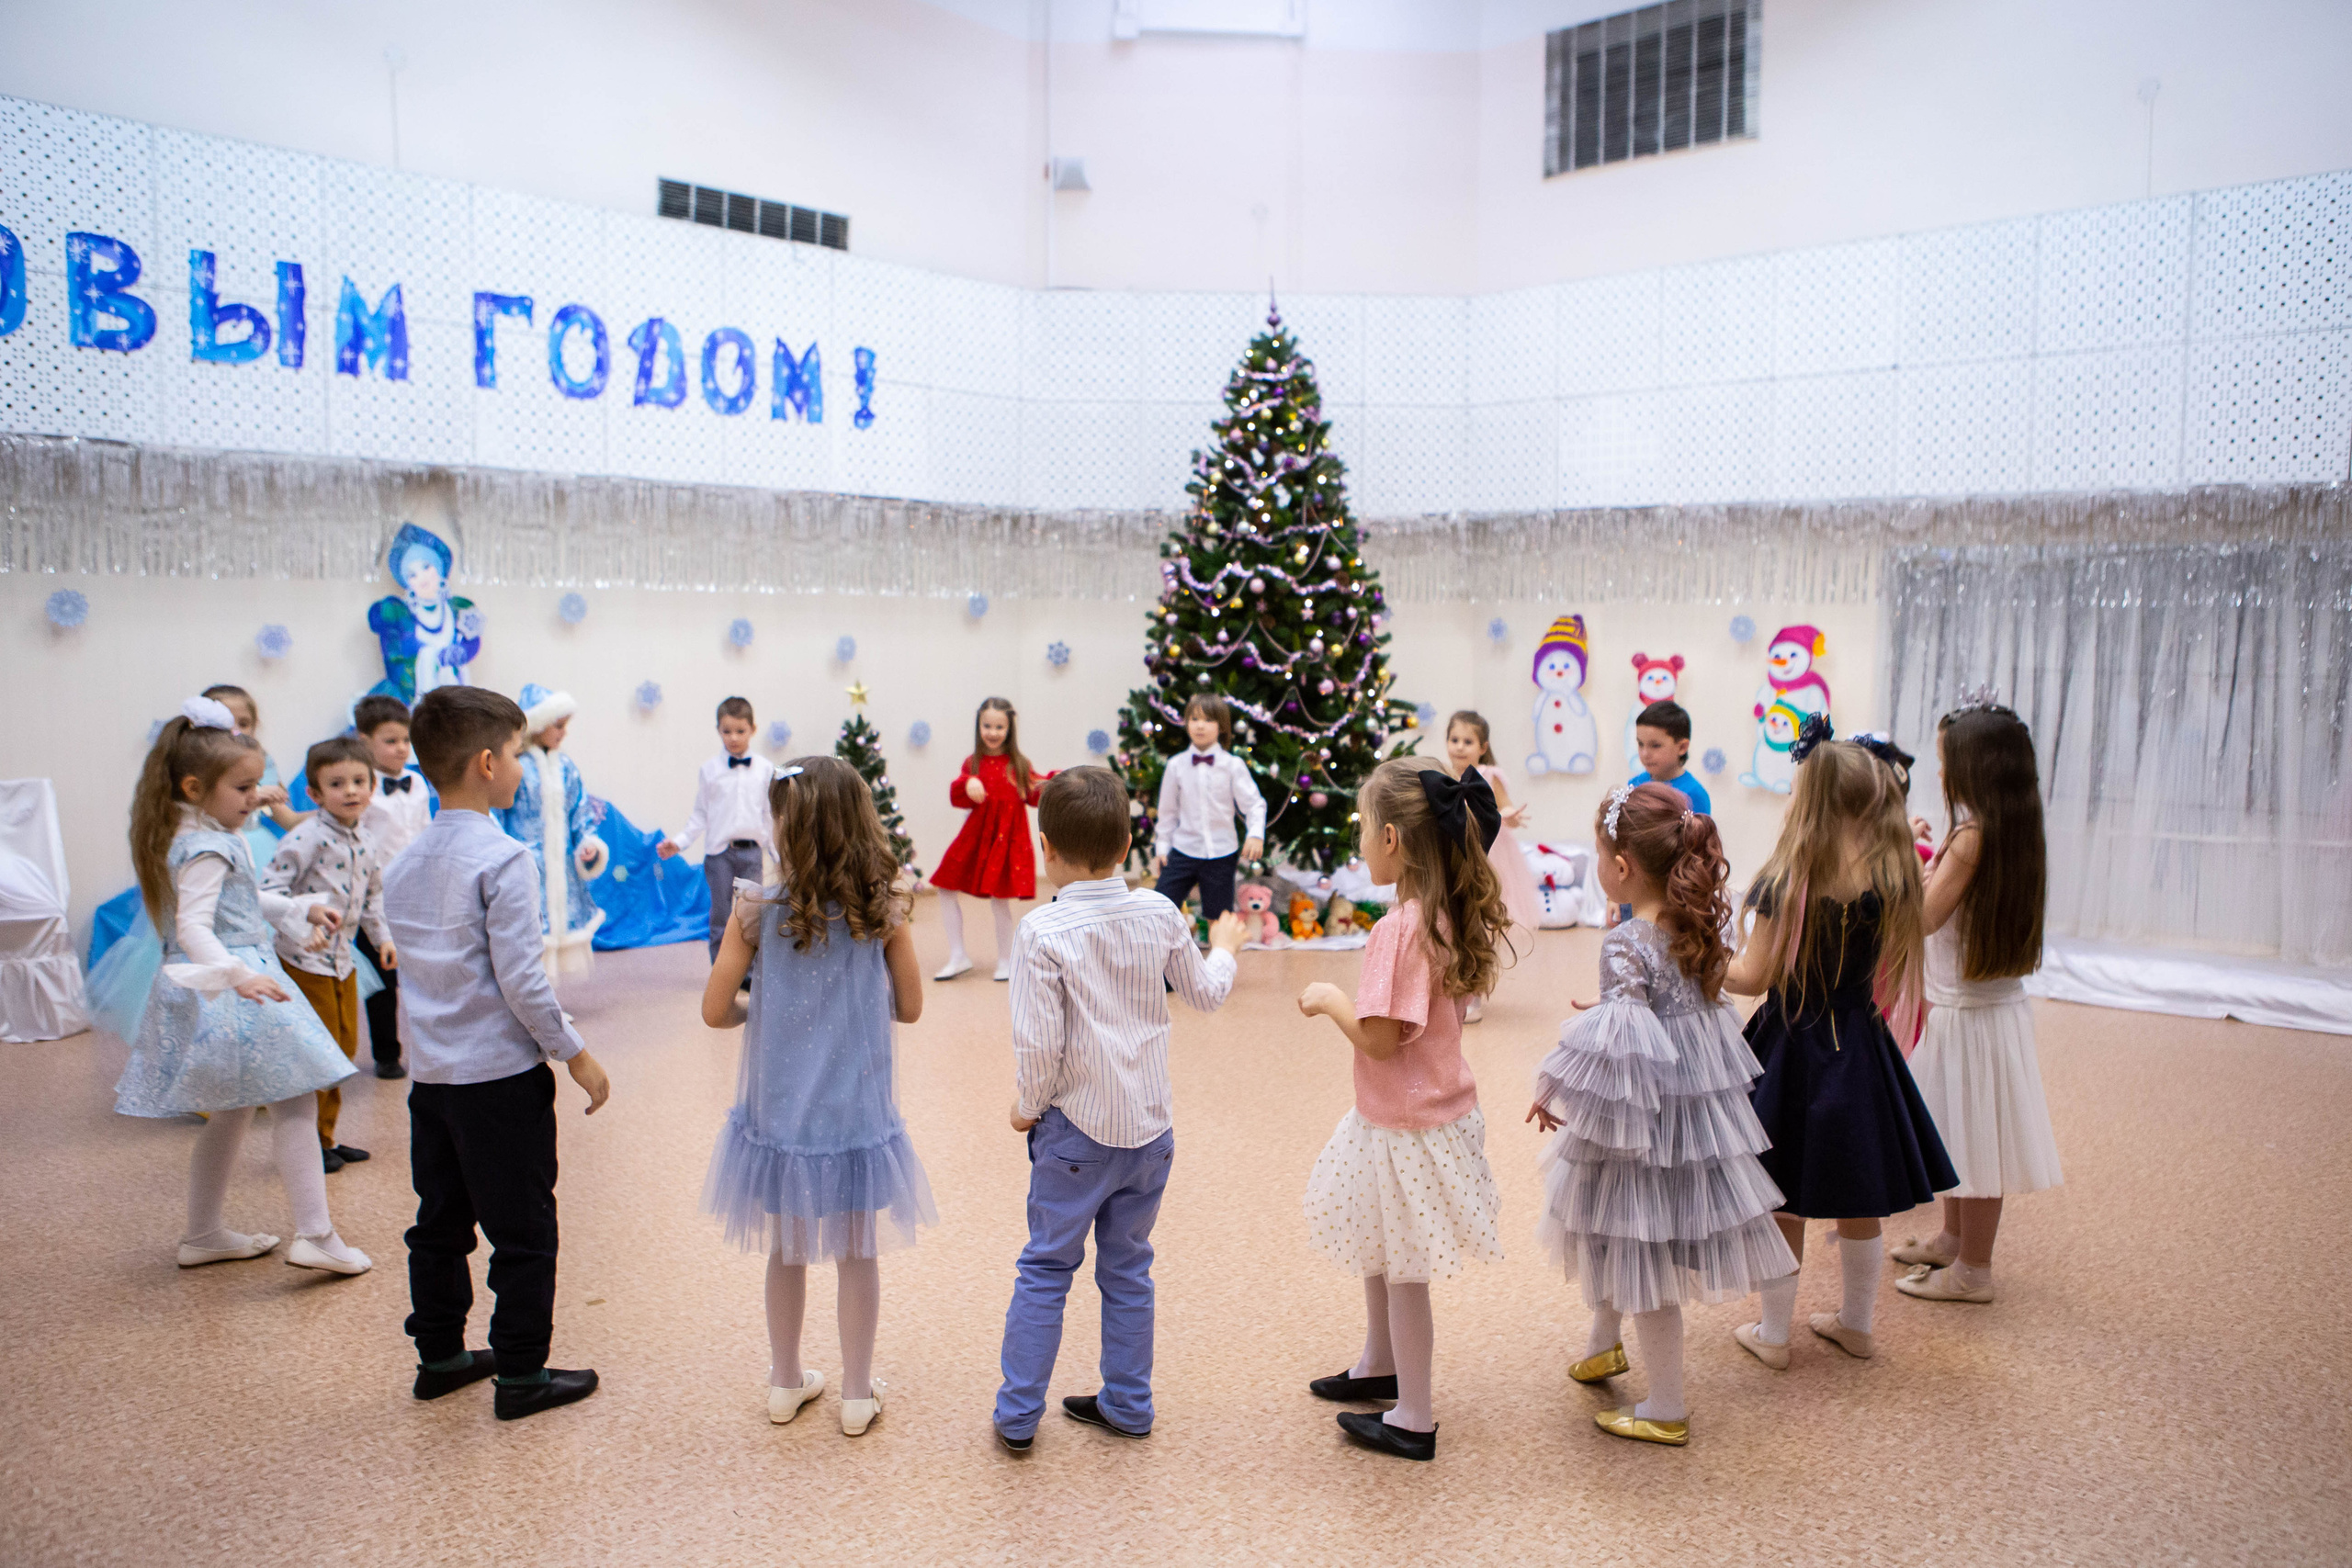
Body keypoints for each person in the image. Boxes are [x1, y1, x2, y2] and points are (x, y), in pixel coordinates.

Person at [1528, 782, 1796, 1447]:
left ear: (1621, 867)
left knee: (1636, 1237)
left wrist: (1556, 1080)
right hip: (1690, 1103)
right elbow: (1664, 1008)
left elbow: (1626, 1037)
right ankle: (1602, 1341)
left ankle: (1668, 1403)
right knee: (1624, 1227)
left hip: (1645, 1108)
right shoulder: (1697, 922)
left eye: (1598, 856)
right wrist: (1615, 1015)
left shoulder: (1625, 940)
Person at [993, 768, 1245, 1452]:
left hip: (1075, 1133)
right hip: (1150, 1133)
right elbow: (1206, 993)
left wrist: (1025, 1108)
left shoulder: (1041, 930)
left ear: (1046, 848)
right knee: (1129, 1267)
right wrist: (1224, 949)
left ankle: (1017, 1416)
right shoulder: (1159, 912)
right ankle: (1129, 1403)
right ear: (1130, 841)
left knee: (1046, 1268)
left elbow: (1039, 1045)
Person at [385, 685, 612, 1420]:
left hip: (433, 1080)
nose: (519, 763)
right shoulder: (504, 858)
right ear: (488, 762)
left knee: (440, 1220)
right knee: (523, 1228)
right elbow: (521, 979)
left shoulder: (406, 860)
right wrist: (574, 1052)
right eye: (515, 752)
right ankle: (520, 1373)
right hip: (499, 1081)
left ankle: (441, 1355)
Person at [700, 756, 933, 1436]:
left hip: (781, 1112)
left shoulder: (755, 908)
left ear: (786, 827)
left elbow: (716, 1011)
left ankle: (784, 1380)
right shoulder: (882, 908)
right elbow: (912, 1008)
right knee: (858, 1248)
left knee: (788, 1246)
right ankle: (857, 1392)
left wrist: (764, 1015)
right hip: (856, 1110)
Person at [1295, 761, 1510, 1461]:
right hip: (1418, 1113)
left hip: (1405, 1122)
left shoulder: (1399, 929)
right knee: (1381, 1241)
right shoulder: (1440, 909)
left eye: (1362, 829)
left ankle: (1413, 1415)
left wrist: (1332, 1001)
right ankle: (1377, 1362)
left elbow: (1382, 1041)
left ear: (1391, 838)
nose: (1359, 843)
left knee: (1403, 1266)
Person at [1724, 717, 1955, 1370]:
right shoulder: (1896, 877)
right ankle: (1856, 1323)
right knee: (1860, 1190)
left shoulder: (1787, 879)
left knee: (1783, 1195)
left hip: (1792, 1045)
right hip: (1861, 1048)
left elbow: (1754, 975)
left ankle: (1774, 1334)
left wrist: (1702, 958)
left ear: (1809, 798)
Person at [111, 696, 370, 1276]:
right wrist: (241, 975)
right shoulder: (207, 843)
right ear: (196, 786)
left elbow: (240, 901)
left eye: (257, 785)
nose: (257, 798)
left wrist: (296, 907)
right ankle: (317, 1235)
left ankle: (203, 1233)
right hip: (234, 982)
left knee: (232, 1111)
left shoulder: (197, 832)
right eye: (244, 789)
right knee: (297, 1099)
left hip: (231, 976)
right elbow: (193, 927)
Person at [1892, 696, 2063, 1304]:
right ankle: (1951, 1239)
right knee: (1959, 1131)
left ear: (1974, 767)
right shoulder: (2009, 826)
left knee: (1978, 1144)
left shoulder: (1972, 837)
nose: (1941, 773)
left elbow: (1924, 919)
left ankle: (1975, 1272)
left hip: (1970, 1013)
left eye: (1946, 761)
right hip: (1976, 1005)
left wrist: (1900, 862)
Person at [260, 736, 391, 1173]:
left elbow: (373, 898)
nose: (351, 791)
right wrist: (301, 923)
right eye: (337, 784)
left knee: (342, 1050)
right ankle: (306, 1144)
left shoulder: (368, 841)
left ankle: (326, 1137)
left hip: (344, 962)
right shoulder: (306, 837)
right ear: (314, 795)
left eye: (359, 781)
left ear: (372, 786)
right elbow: (269, 891)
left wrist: (384, 938)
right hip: (304, 962)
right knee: (313, 1054)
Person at [494, 683, 609, 978]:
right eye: (558, 726)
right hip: (526, 866)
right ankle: (530, 999)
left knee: (557, 929)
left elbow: (579, 811)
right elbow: (499, 814)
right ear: (539, 725)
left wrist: (587, 843)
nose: (563, 733)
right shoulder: (517, 767)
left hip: (562, 869)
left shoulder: (566, 767)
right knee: (528, 931)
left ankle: (549, 1001)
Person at [930, 697, 1046, 981]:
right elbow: (959, 794)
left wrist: (1052, 782)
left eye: (999, 726)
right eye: (987, 725)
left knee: (999, 901)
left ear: (1009, 728)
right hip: (975, 838)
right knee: (945, 888)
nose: (992, 732)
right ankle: (958, 956)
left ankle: (1006, 960)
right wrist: (968, 782)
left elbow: (1035, 792)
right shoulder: (973, 763)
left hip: (1006, 841)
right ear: (978, 725)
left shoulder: (1019, 764)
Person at [659, 696, 777, 962]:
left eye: (740, 731)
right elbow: (700, 815)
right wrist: (678, 842)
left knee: (752, 916)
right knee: (721, 916)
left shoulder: (765, 769)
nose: (733, 738)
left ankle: (749, 973)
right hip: (719, 856)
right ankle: (720, 972)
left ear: (753, 730)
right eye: (727, 731)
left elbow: (768, 815)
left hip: (752, 854)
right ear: (718, 731)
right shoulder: (710, 770)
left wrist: (778, 853)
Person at [1442, 709, 1535, 1021]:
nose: (1459, 746)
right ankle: (1453, 990)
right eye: (1454, 739)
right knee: (1451, 924)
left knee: (1477, 925)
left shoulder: (1489, 776)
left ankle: (1473, 993)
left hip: (1486, 858)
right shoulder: (1442, 776)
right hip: (1452, 857)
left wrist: (1510, 815)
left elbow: (1503, 804)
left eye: (1467, 741)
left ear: (1483, 747)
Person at [356, 694, 430, 1079]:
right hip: (375, 897)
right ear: (365, 741)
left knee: (423, 973)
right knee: (383, 982)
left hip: (417, 892)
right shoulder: (359, 788)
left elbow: (423, 830)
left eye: (406, 740)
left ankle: (431, 1047)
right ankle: (387, 1053)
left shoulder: (417, 783)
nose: (402, 748)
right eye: (391, 741)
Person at [1151, 693, 1265, 924]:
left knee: (1219, 915)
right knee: (1160, 907)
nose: (1200, 725)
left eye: (1208, 720)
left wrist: (1255, 835)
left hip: (1221, 852)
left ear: (1222, 727)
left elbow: (1254, 804)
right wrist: (1162, 846)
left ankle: (1219, 957)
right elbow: (1168, 812)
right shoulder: (1176, 766)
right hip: (1184, 849)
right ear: (1186, 723)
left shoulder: (1232, 765)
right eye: (1194, 719)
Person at [201, 683, 307, 869]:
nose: (236, 731)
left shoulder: (260, 764)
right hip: (213, 851)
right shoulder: (194, 766)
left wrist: (332, 814)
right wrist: (254, 796)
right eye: (225, 722)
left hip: (258, 852)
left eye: (244, 724)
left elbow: (290, 820)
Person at [1630, 700, 1712, 815]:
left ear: (1682, 747)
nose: (1645, 754)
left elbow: (1701, 832)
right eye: (1641, 744)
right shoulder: (1635, 784)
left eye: (1655, 745)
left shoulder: (1694, 794)